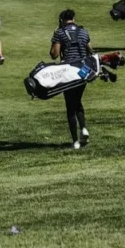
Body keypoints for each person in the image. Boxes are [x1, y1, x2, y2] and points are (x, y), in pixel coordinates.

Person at [50, 9, 93, 150]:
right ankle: (84, 128)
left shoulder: (60, 33)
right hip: (83, 71)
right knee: (78, 102)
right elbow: (90, 51)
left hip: (68, 71)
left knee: (70, 106)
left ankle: (75, 141)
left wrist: (55, 39)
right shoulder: (83, 31)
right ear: (73, 18)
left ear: (62, 20)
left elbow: (54, 55)